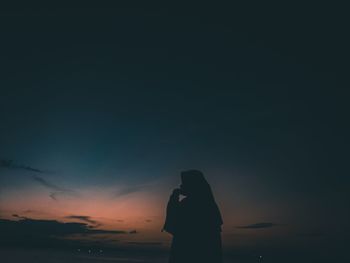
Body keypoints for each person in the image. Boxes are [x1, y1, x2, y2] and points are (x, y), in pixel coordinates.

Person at [163, 170, 223, 263]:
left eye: (184, 183)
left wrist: (174, 197)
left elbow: (173, 224)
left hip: (187, 253)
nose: (181, 186)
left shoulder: (189, 204)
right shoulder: (209, 204)